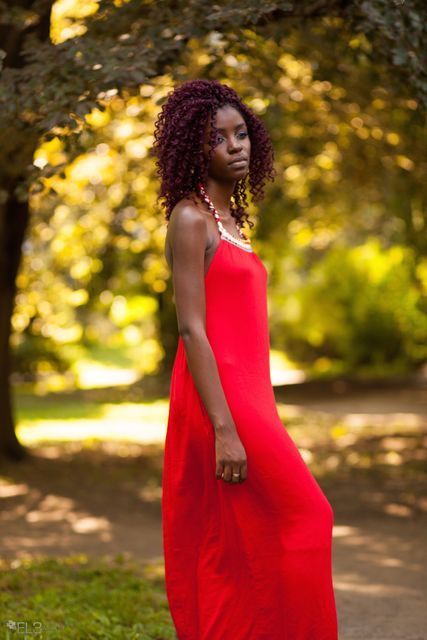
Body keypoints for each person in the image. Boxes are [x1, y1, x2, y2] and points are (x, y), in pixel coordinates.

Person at [153, 79, 339, 640]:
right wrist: (225, 428)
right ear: (193, 147)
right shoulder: (191, 219)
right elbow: (191, 328)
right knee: (309, 517)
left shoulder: (232, 223)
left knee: (245, 539)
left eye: (242, 134)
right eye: (218, 138)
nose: (236, 146)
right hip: (222, 404)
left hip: (253, 401)